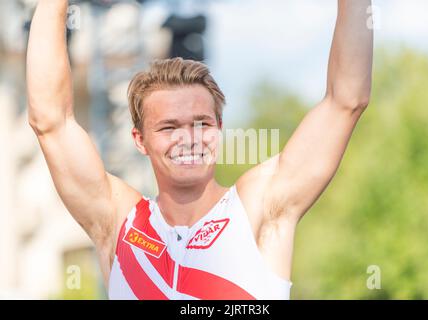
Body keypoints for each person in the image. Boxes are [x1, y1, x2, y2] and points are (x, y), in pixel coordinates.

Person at [26, 0, 373, 300]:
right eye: (169, 127)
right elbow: (49, 120)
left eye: (202, 124)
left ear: (219, 130)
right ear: (140, 140)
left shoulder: (260, 207)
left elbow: (346, 100)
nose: (189, 138)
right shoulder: (118, 221)